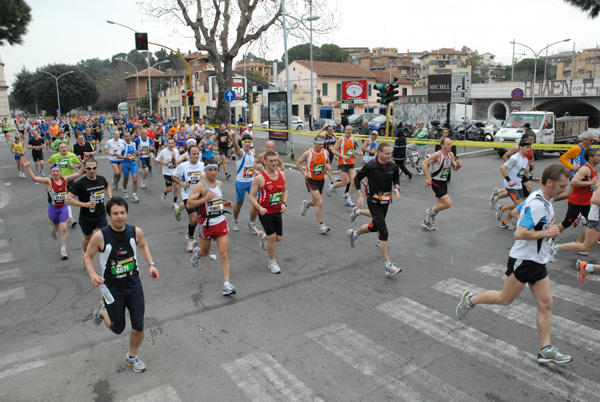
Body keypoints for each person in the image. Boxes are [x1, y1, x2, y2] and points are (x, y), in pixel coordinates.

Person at [456, 164, 572, 365]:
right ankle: (471, 299)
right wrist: (547, 232)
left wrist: (540, 229)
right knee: (504, 299)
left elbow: (518, 211)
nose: (564, 190)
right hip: (524, 261)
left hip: (538, 261)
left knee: (546, 303)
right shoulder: (537, 204)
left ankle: (545, 349)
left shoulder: (542, 199)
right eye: (562, 186)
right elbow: (519, 233)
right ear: (550, 182)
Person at [87, 196, 159, 373]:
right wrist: (93, 274)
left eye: (123, 213)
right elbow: (87, 256)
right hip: (113, 290)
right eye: (115, 213)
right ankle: (103, 311)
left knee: (138, 326)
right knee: (118, 328)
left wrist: (151, 264)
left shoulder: (135, 232)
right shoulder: (100, 236)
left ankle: (132, 356)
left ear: (126, 213)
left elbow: (142, 245)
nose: (120, 216)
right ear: (109, 215)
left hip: (134, 285)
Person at [347, 143, 402, 276]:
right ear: (379, 153)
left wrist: (396, 188)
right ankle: (388, 266)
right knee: (383, 232)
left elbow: (396, 178)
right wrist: (360, 195)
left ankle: (354, 234)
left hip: (386, 201)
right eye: (387, 154)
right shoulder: (371, 166)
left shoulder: (392, 166)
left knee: (374, 227)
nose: (389, 156)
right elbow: (357, 178)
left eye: (391, 154)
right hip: (373, 200)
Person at [187, 160, 236, 296]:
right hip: (206, 224)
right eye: (210, 170)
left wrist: (225, 203)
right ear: (205, 171)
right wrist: (205, 199)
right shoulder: (200, 186)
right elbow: (189, 204)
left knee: (224, 254)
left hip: (220, 222)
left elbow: (217, 200)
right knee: (205, 252)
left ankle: (226, 285)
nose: (213, 172)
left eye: (215, 170)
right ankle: (198, 253)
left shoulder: (219, 184)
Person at [21, 157, 83, 259]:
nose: (55, 173)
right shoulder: (48, 181)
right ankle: (53, 229)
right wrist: (28, 168)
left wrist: (83, 164)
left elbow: (78, 174)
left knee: (63, 228)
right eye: (53, 171)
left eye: (57, 171)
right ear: (50, 172)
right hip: (53, 208)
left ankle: (63, 250)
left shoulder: (65, 179)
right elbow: (34, 178)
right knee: (56, 227)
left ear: (60, 172)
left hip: (63, 207)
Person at [249, 151, 288, 274]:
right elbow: (251, 196)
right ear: (265, 162)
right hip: (265, 212)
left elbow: (285, 190)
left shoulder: (282, 174)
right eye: (270, 161)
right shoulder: (259, 178)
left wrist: (284, 203)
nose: (273, 163)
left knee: (279, 238)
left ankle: (263, 236)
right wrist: (259, 208)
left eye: (275, 160)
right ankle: (272, 262)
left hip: (277, 210)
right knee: (272, 237)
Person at [66, 157, 112, 257]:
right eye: (89, 168)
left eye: (94, 168)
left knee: (102, 235)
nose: (92, 170)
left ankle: (103, 256)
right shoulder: (80, 184)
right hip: (86, 216)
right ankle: (85, 254)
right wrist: (84, 204)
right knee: (88, 238)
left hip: (100, 214)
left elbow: (107, 186)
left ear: (97, 168)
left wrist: (110, 197)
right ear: (85, 169)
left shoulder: (101, 179)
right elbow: (68, 199)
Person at [420, 137, 463, 231]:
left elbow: (454, 168)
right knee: (448, 203)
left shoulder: (451, 155)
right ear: (442, 145)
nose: (450, 146)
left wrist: (458, 166)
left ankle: (426, 221)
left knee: (439, 205)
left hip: (444, 182)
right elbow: (424, 164)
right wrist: (428, 178)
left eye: (451, 144)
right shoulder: (437, 155)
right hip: (436, 182)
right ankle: (430, 212)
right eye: (448, 144)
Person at [495, 140, 539, 230]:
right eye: (527, 147)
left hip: (519, 185)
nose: (529, 149)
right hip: (511, 186)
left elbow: (524, 172)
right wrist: (509, 180)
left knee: (518, 205)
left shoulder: (525, 160)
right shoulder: (515, 158)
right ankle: (528, 226)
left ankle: (505, 221)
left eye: (529, 147)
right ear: (521, 147)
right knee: (521, 206)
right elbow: (503, 167)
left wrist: (532, 178)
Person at [172, 145, 205, 251]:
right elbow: (173, 176)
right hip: (188, 196)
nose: (196, 156)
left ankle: (188, 231)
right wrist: (181, 183)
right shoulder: (183, 166)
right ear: (189, 155)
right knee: (194, 218)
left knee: (197, 218)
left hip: (199, 195)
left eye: (197, 153)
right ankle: (190, 239)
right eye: (193, 154)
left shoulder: (202, 165)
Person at [297, 134, 332, 234]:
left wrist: (328, 166)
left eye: (323, 143)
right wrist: (304, 173)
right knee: (320, 202)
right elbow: (298, 163)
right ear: (314, 143)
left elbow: (328, 162)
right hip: (311, 180)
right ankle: (321, 226)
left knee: (315, 201)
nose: (321, 145)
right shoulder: (308, 153)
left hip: (321, 179)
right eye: (319, 143)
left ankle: (306, 204)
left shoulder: (325, 152)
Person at [327, 125, 362, 207]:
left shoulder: (351, 139)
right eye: (346, 129)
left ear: (351, 131)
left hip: (351, 162)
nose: (348, 131)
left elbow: (351, 150)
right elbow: (333, 150)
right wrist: (342, 156)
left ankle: (349, 199)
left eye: (349, 130)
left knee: (353, 181)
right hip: (342, 162)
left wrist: (357, 153)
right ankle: (332, 187)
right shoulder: (341, 139)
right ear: (345, 130)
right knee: (344, 182)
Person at [48, 142, 82, 227]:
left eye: (64, 147)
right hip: (59, 181)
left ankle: (69, 217)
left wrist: (74, 165)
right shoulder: (55, 156)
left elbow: (79, 164)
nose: (63, 149)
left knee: (67, 199)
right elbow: (49, 163)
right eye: (61, 148)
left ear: (67, 148)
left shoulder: (72, 155)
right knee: (63, 199)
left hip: (69, 179)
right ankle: (68, 217)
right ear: (58, 149)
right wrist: (53, 169)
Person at [230, 132, 258, 232]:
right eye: (245, 142)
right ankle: (235, 220)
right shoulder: (241, 153)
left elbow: (252, 165)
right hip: (241, 182)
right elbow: (236, 149)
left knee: (256, 202)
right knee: (239, 204)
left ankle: (252, 223)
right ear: (242, 143)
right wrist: (234, 138)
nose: (247, 144)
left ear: (251, 143)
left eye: (249, 142)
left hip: (251, 182)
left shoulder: (251, 154)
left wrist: (258, 169)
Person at [155, 137, 180, 208]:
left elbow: (178, 161)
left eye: (172, 143)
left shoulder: (176, 151)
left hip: (175, 172)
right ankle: (165, 192)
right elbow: (157, 160)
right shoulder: (163, 151)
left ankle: (174, 202)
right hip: (167, 173)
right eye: (169, 143)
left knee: (176, 187)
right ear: (167, 144)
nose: (171, 145)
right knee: (169, 188)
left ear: (174, 144)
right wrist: (163, 162)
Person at [117, 132, 140, 203]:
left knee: (135, 179)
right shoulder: (122, 145)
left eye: (129, 136)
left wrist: (137, 153)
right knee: (126, 179)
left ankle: (134, 195)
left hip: (133, 163)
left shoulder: (133, 144)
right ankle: (125, 191)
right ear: (124, 137)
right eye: (126, 136)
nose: (128, 137)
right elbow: (118, 156)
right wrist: (126, 157)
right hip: (125, 164)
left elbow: (135, 152)